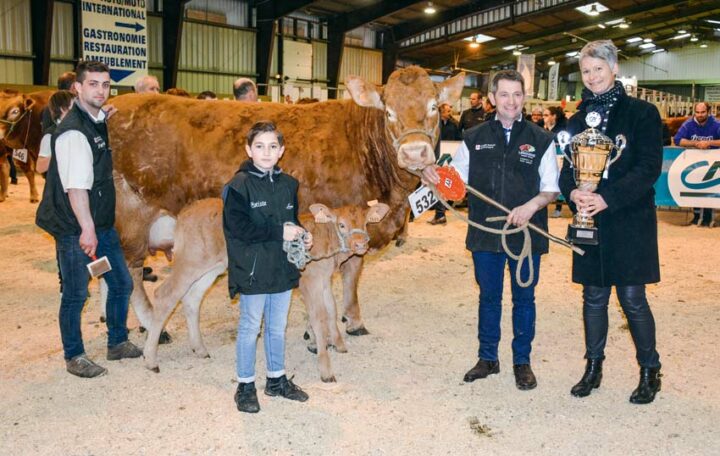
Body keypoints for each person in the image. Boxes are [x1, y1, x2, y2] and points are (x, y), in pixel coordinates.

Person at [422, 70, 559, 391]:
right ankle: (488, 358)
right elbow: (455, 184)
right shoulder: (474, 137)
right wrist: (435, 176)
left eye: (517, 94)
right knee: (489, 297)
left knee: (525, 298)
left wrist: (530, 207)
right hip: (485, 232)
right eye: (505, 95)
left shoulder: (541, 139)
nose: (511, 101)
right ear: (493, 99)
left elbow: (551, 188)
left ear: (524, 98)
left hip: (527, 234)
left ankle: (522, 362)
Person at [559, 40, 663, 404]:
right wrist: (573, 194)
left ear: (614, 67)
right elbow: (566, 172)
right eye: (586, 71)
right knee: (593, 297)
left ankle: (650, 369)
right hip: (589, 221)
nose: (592, 77)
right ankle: (593, 367)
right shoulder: (575, 119)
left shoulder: (642, 113)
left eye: (598, 69)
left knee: (632, 298)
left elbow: (649, 167)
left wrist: (608, 197)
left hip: (630, 219)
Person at [35, 60, 141, 378]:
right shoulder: (73, 134)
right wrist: (87, 231)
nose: (100, 90)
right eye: (93, 84)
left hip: (98, 223)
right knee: (76, 293)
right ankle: (74, 355)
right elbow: (76, 189)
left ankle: (117, 342)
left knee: (121, 283)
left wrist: (103, 116)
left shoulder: (94, 119)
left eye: (105, 84)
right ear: (77, 87)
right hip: (76, 227)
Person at [223, 121, 312, 413]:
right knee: (250, 327)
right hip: (252, 268)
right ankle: (245, 385)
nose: (266, 152)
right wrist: (279, 232)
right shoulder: (238, 186)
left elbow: (291, 220)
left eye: (273, 146)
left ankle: (276, 380)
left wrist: (301, 233)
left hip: (282, 267)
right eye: (259, 146)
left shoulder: (289, 184)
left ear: (281, 151)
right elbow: (238, 229)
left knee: (277, 327)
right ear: (249, 149)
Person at [673, 101, 720, 227]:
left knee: (710, 188)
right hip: (694, 163)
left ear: (708, 112)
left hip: (714, 164)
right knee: (694, 189)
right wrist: (695, 143)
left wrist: (709, 143)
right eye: (697, 112)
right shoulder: (688, 124)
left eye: (703, 112)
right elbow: (678, 140)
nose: (700, 115)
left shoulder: (716, 124)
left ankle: (709, 216)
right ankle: (697, 215)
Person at [428, 103, 462, 225]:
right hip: (435, 159)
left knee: (441, 185)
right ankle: (439, 213)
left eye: (450, 111)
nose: (450, 113)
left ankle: (440, 213)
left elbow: (459, 140)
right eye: (447, 111)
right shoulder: (434, 126)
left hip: (447, 159)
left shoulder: (454, 124)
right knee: (436, 185)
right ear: (441, 113)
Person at [36, 90, 76, 174]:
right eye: (74, 107)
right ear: (63, 109)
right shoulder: (50, 135)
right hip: (58, 184)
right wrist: (61, 153)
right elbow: (40, 167)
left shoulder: (76, 129)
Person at [543, 106, 567, 218]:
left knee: (559, 179)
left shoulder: (562, 128)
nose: (544, 118)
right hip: (547, 157)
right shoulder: (543, 127)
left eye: (547, 115)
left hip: (559, 156)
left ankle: (559, 208)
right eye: (544, 115)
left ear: (554, 116)